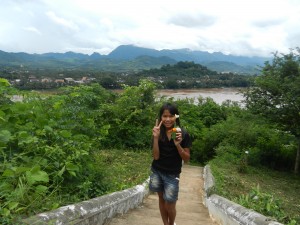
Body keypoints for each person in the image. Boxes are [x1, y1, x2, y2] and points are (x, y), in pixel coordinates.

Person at [149, 102, 192, 225]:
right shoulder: (158, 132)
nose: (168, 119)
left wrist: (178, 144)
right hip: (157, 171)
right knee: (161, 200)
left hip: (172, 174)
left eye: (171, 116)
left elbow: (187, 159)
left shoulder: (182, 133)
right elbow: (156, 156)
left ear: (176, 117)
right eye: (165, 116)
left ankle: (171, 223)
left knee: (170, 204)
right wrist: (156, 138)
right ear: (160, 117)